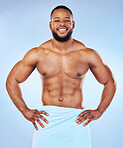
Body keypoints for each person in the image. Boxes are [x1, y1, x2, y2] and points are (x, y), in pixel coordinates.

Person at [6, 5, 116, 148]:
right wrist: (24, 110)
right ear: (51, 25)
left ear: (73, 24)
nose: (62, 24)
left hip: (76, 120)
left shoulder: (87, 54)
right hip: (46, 120)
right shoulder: (38, 53)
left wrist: (100, 110)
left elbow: (109, 82)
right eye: (57, 20)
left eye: (66, 20)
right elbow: (12, 80)